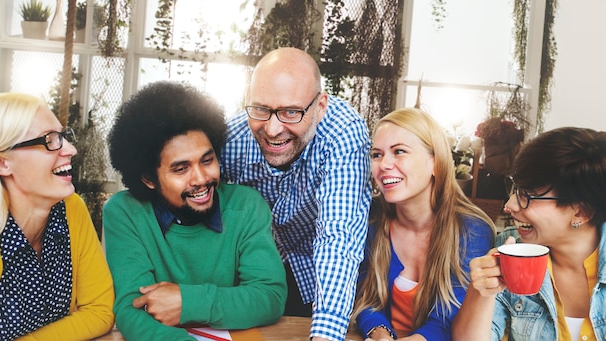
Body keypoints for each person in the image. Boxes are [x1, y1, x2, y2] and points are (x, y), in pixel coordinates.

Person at [103, 81, 287, 341]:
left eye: (207, 160)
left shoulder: (247, 206)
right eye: (181, 169)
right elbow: (132, 308)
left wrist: (187, 302)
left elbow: (269, 297)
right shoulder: (125, 213)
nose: (201, 178)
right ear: (148, 178)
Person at [220, 47, 373, 341]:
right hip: (254, 276)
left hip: (317, 274)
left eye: (291, 112)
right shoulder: (232, 138)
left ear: (321, 106)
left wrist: (325, 335)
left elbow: (337, 236)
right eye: (261, 109)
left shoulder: (343, 133)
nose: (273, 129)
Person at [352, 108, 496, 341]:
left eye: (399, 152)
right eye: (376, 155)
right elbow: (363, 297)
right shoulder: (371, 219)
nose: (384, 164)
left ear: (436, 164)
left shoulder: (472, 229)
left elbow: (450, 316)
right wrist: (380, 334)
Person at [0, 93, 115, 340]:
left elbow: (100, 310)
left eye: (62, 137)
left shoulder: (72, 208)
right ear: (1, 162)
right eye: (49, 140)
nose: (71, 150)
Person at [452, 127, 606, 341]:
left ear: (581, 212)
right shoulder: (508, 250)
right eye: (515, 190)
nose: (510, 205)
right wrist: (481, 293)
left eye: (527, 196)